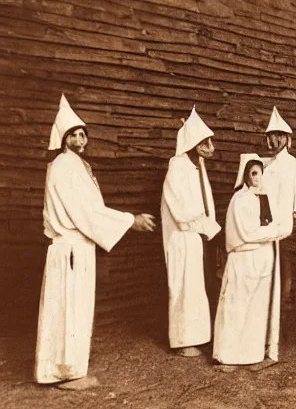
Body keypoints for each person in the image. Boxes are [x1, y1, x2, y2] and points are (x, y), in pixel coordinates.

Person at [35, 95, 156, 390]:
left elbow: (90, 210)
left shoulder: (74, 165)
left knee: (70, 307)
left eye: (83, 134)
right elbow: (86, 212)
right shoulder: (65, 166)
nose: (81, 139)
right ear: (64, 140)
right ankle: (68, 373)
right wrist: (130, 220)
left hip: (77, 247)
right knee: (70, 308)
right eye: (75, 134)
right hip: (71, 247)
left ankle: (61, 370)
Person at [161, 106, 221, 357]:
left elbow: (205, 203)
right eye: (204, 142)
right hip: (181, 237)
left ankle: (198, 336)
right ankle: (184, 340)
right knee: (184, 286)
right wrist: (207, 227)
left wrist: (209, 228)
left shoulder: (198, 167)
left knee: (196, 287)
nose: (209, 147)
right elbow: (181, 210)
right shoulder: (176, 166)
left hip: (195, 237)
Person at [213, 154, 281, 371]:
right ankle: (229, 356)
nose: (257, 177)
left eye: (260, 173)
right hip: (243, 259)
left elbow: (270, 225)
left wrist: (272, 231)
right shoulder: (240, 199)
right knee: (236, 306)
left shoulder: (264, 198)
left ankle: (252, 354)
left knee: (256, 308)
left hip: (261, 259)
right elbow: (248, 232)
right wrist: (274, 231)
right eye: (253, 173)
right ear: (246, 176)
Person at [261, 106, 296, 305]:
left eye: (279, 136)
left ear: (287, 139)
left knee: (283, 259)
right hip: (265, 220)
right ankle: (267, 300)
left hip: (283, 221)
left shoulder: (293, 164)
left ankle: (283, 298)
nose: (275, 140)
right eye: (272, 136)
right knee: (266, 260)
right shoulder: (264, 165)